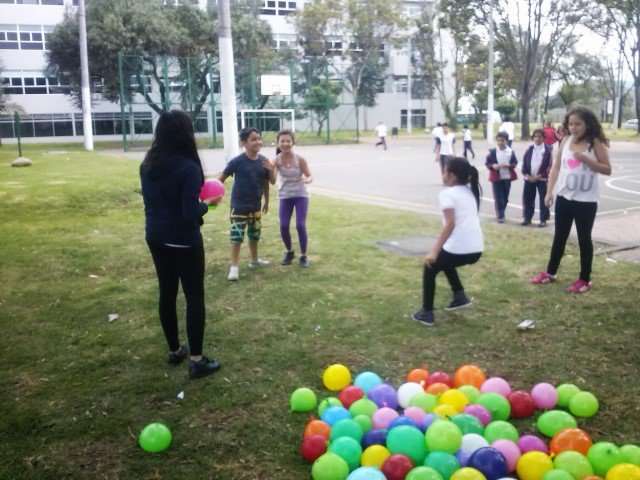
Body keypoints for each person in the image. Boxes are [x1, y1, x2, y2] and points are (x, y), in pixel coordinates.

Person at [140, 110, 221, 379]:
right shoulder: (188, 167)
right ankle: (196, 360)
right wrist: (207, 204)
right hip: (184, 241)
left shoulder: (147, 164)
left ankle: (175, 350)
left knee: (167, 292)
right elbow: (189, 212)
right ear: (185, 134)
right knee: (194, 295)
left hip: (156, 236)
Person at [530, 106, 612, 293]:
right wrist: (549, 192)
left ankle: (585, 279)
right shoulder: (565, 140)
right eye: (570, 124)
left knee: (584, 239)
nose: (573, 127)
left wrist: (586, 160)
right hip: (564, 198)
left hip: (586, 201)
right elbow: (556, 168)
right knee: (560, 236)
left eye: (578, 124)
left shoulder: (595, 143)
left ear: (587, 124)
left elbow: (607, 169)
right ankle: (550, 273)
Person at [411, 157, 484, 326]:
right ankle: (459, 296)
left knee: (430, 266)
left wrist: (434, 251)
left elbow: (450, 224)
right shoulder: (470, 192)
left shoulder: (447, 194)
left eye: (444, 171)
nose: (442, 174)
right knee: (446, 257)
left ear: (451, 175)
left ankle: (426, 313)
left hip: (461, 249)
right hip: (476, 250)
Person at [218, 127, 276, 281]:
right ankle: (234, 267)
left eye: (259, 138)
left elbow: (270, 182)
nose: (258, 142)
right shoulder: (237, 161)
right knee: (236, 237)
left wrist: (267, 200)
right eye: (254, 139)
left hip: (255, 206)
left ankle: (254, 261)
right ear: (244, 142)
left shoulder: (264, 161)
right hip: (238, 206)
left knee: (254, 235)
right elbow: (221, 179)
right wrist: (215, 194)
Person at [273, 130, 313, 268]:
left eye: (288, 141)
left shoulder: (299, 159)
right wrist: (268, 169)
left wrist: (306, 179)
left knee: (300, 225)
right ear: (278, 143)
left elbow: (309, 175)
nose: (285, 143)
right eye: (282, 141)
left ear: (292, 142)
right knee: (283, 225)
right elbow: (272, 180)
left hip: (301, 195)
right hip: (285, 196)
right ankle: (289, 252)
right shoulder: (276, 160)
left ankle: (303, 255)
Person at [521, 129, 553, 227]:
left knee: (544, 200)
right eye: (535, 136)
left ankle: (543, 220)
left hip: (542, 179)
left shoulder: (547, 150)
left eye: (539, 136)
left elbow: (548, 165)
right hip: (529, 179)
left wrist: (539, 175)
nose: (537, 138)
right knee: (528, 199)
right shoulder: (529, 149)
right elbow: (525, 163)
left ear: (543, 138)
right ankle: (527, 218)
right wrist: (527, 175)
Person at [485, 131, 518, 223]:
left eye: (502, 141)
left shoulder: (510, 152)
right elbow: (487, 163)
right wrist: (493, 166)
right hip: (496, 177)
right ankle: (501, 215)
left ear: (506, 141)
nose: (500, 143)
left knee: (505, 197)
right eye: (498, 141)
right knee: (498, 196)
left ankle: (501, 210)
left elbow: (515, 163)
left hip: (507, 177)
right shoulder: (492, 152)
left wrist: (509, 165)